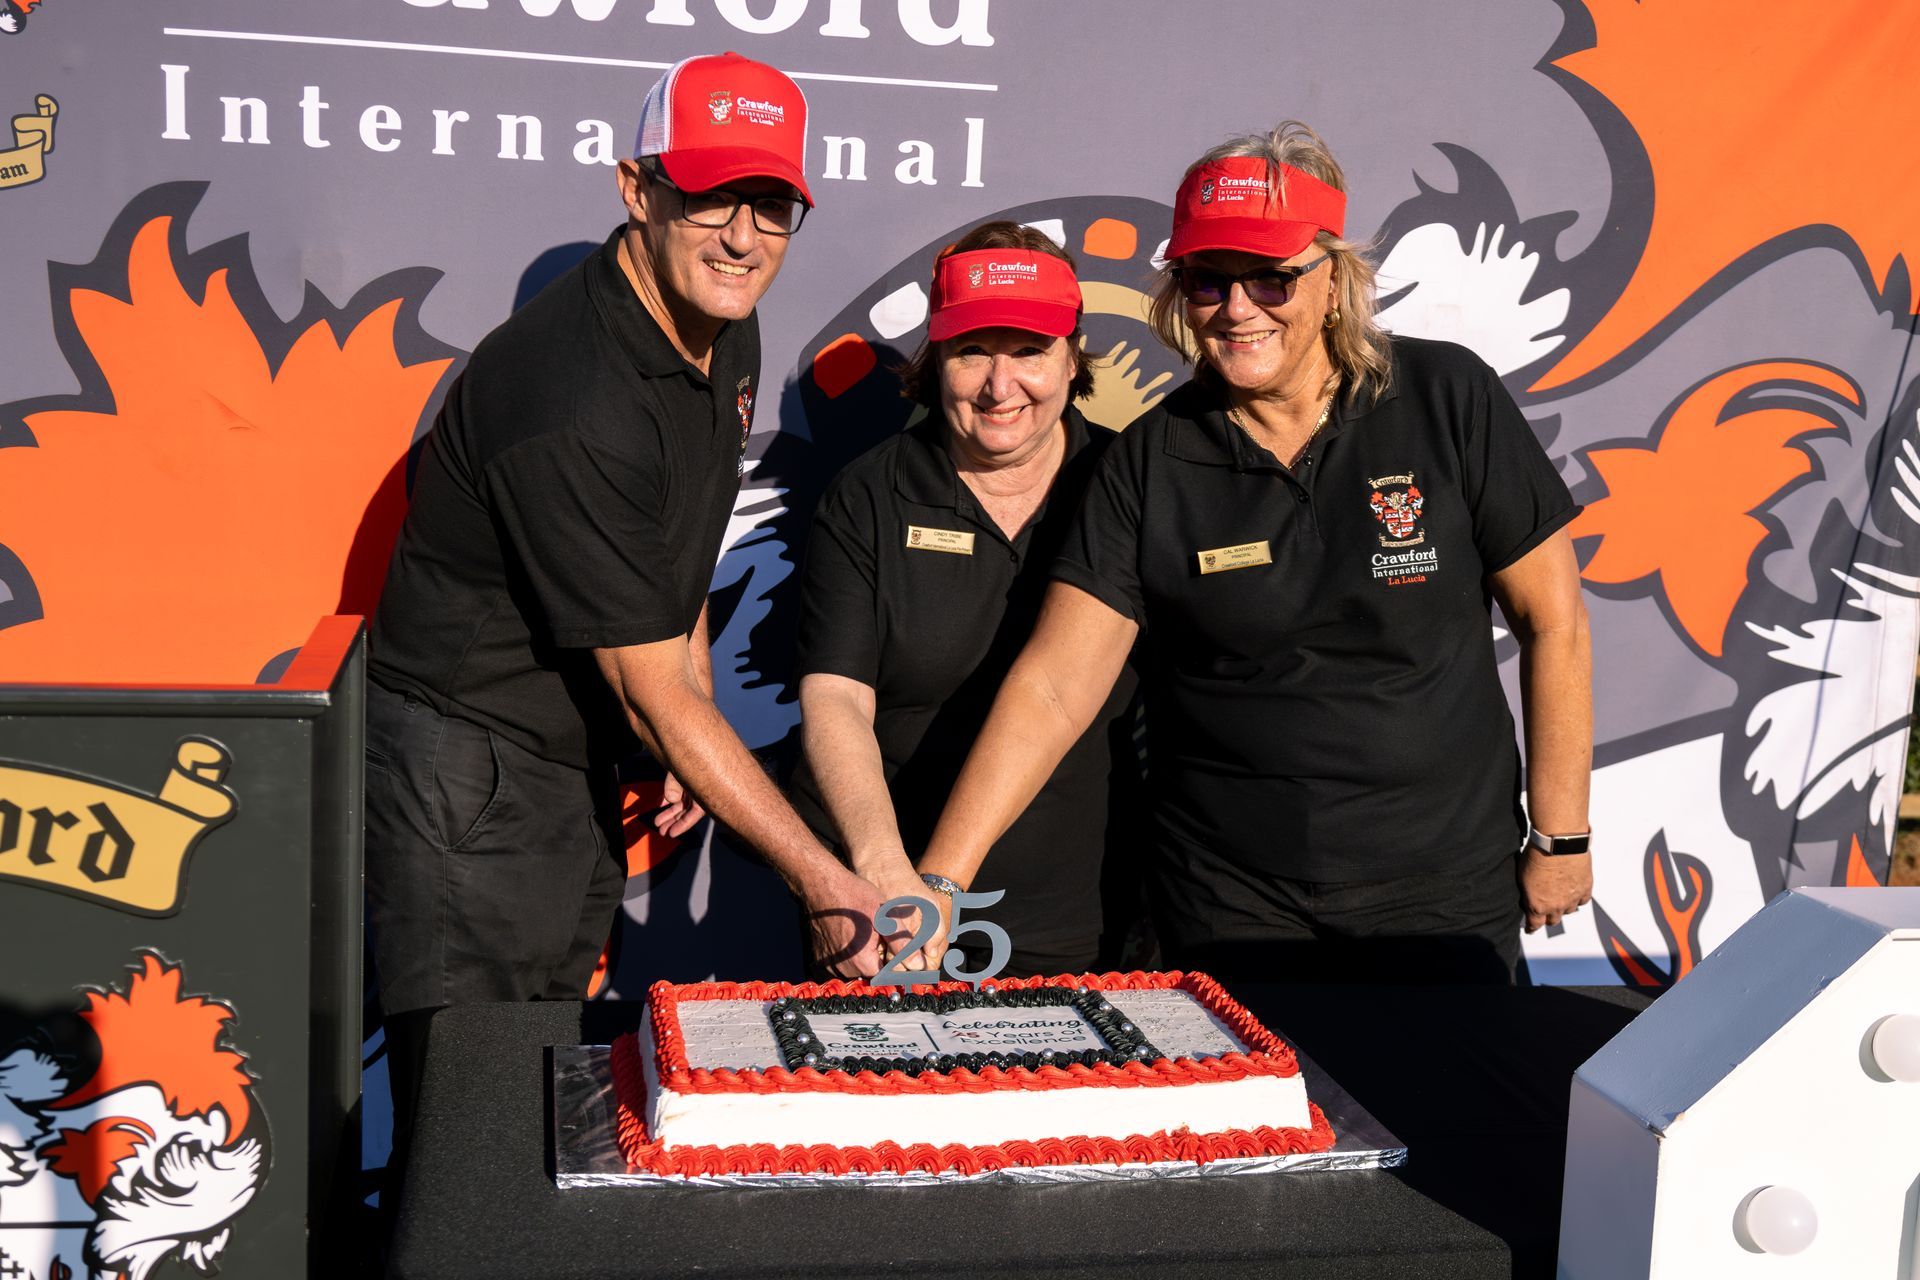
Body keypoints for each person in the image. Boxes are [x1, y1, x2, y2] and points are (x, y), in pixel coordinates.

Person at [908, 122, 1592, 985]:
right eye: (1207, 280)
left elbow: (1554, 622)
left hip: (1442, 890)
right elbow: (1054, 686)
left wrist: (1561, 835)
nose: (1238, 309)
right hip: (1230, 904)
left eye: (1272, 277)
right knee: (1260, 1126)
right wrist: (941, 878)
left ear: (1333, 279)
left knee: (1453, 1118)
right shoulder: (1151, 461)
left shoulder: (1447, 398)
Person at [364, 53, 884, 1156]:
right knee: (469, 1129)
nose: (743, 236)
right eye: (709, 196)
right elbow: (646, 687)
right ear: (637, 189)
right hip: (470, 774)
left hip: (569, 758)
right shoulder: (571, 394)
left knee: (536, 1085)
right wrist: (824, 875)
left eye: (772, 204)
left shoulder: (719, 322)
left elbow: (678, 548)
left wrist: (688, 708)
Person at [789, 224, 1137, 978]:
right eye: (973, 351)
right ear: (934, 359)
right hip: (884, 905)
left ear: (1073, 356)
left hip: (1075, 914)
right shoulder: (870, 494)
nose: (998, 386)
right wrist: (883, 869)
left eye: (1029, 352)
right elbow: (836, 697)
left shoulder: (1129, 484)